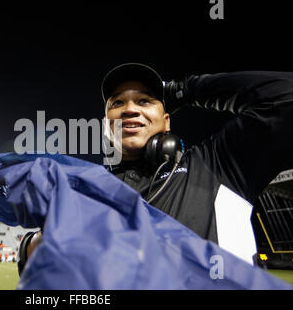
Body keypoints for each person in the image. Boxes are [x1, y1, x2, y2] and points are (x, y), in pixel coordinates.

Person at [18, 63, 293, 274]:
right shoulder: (86, 191)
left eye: (145, 100)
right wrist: (36, 243)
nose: (129, 109)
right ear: (105, 126)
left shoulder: (218, 163)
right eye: (117, 103)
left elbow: (285, 96)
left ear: (167, 121)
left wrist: (185, 89)